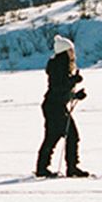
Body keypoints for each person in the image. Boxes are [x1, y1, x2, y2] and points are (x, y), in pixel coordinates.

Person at [36, 36, 89, 178]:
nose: (73, 52)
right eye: (71, 50)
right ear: (65, 51)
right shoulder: (59, 66)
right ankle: (71, 168)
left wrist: (75, 95)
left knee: (53, 137)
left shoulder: (59, 65)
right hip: (55, 108)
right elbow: (59, 87)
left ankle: (43, 168)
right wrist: (73, 81)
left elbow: (60, 90)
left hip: (54, 106)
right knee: (71, 136)